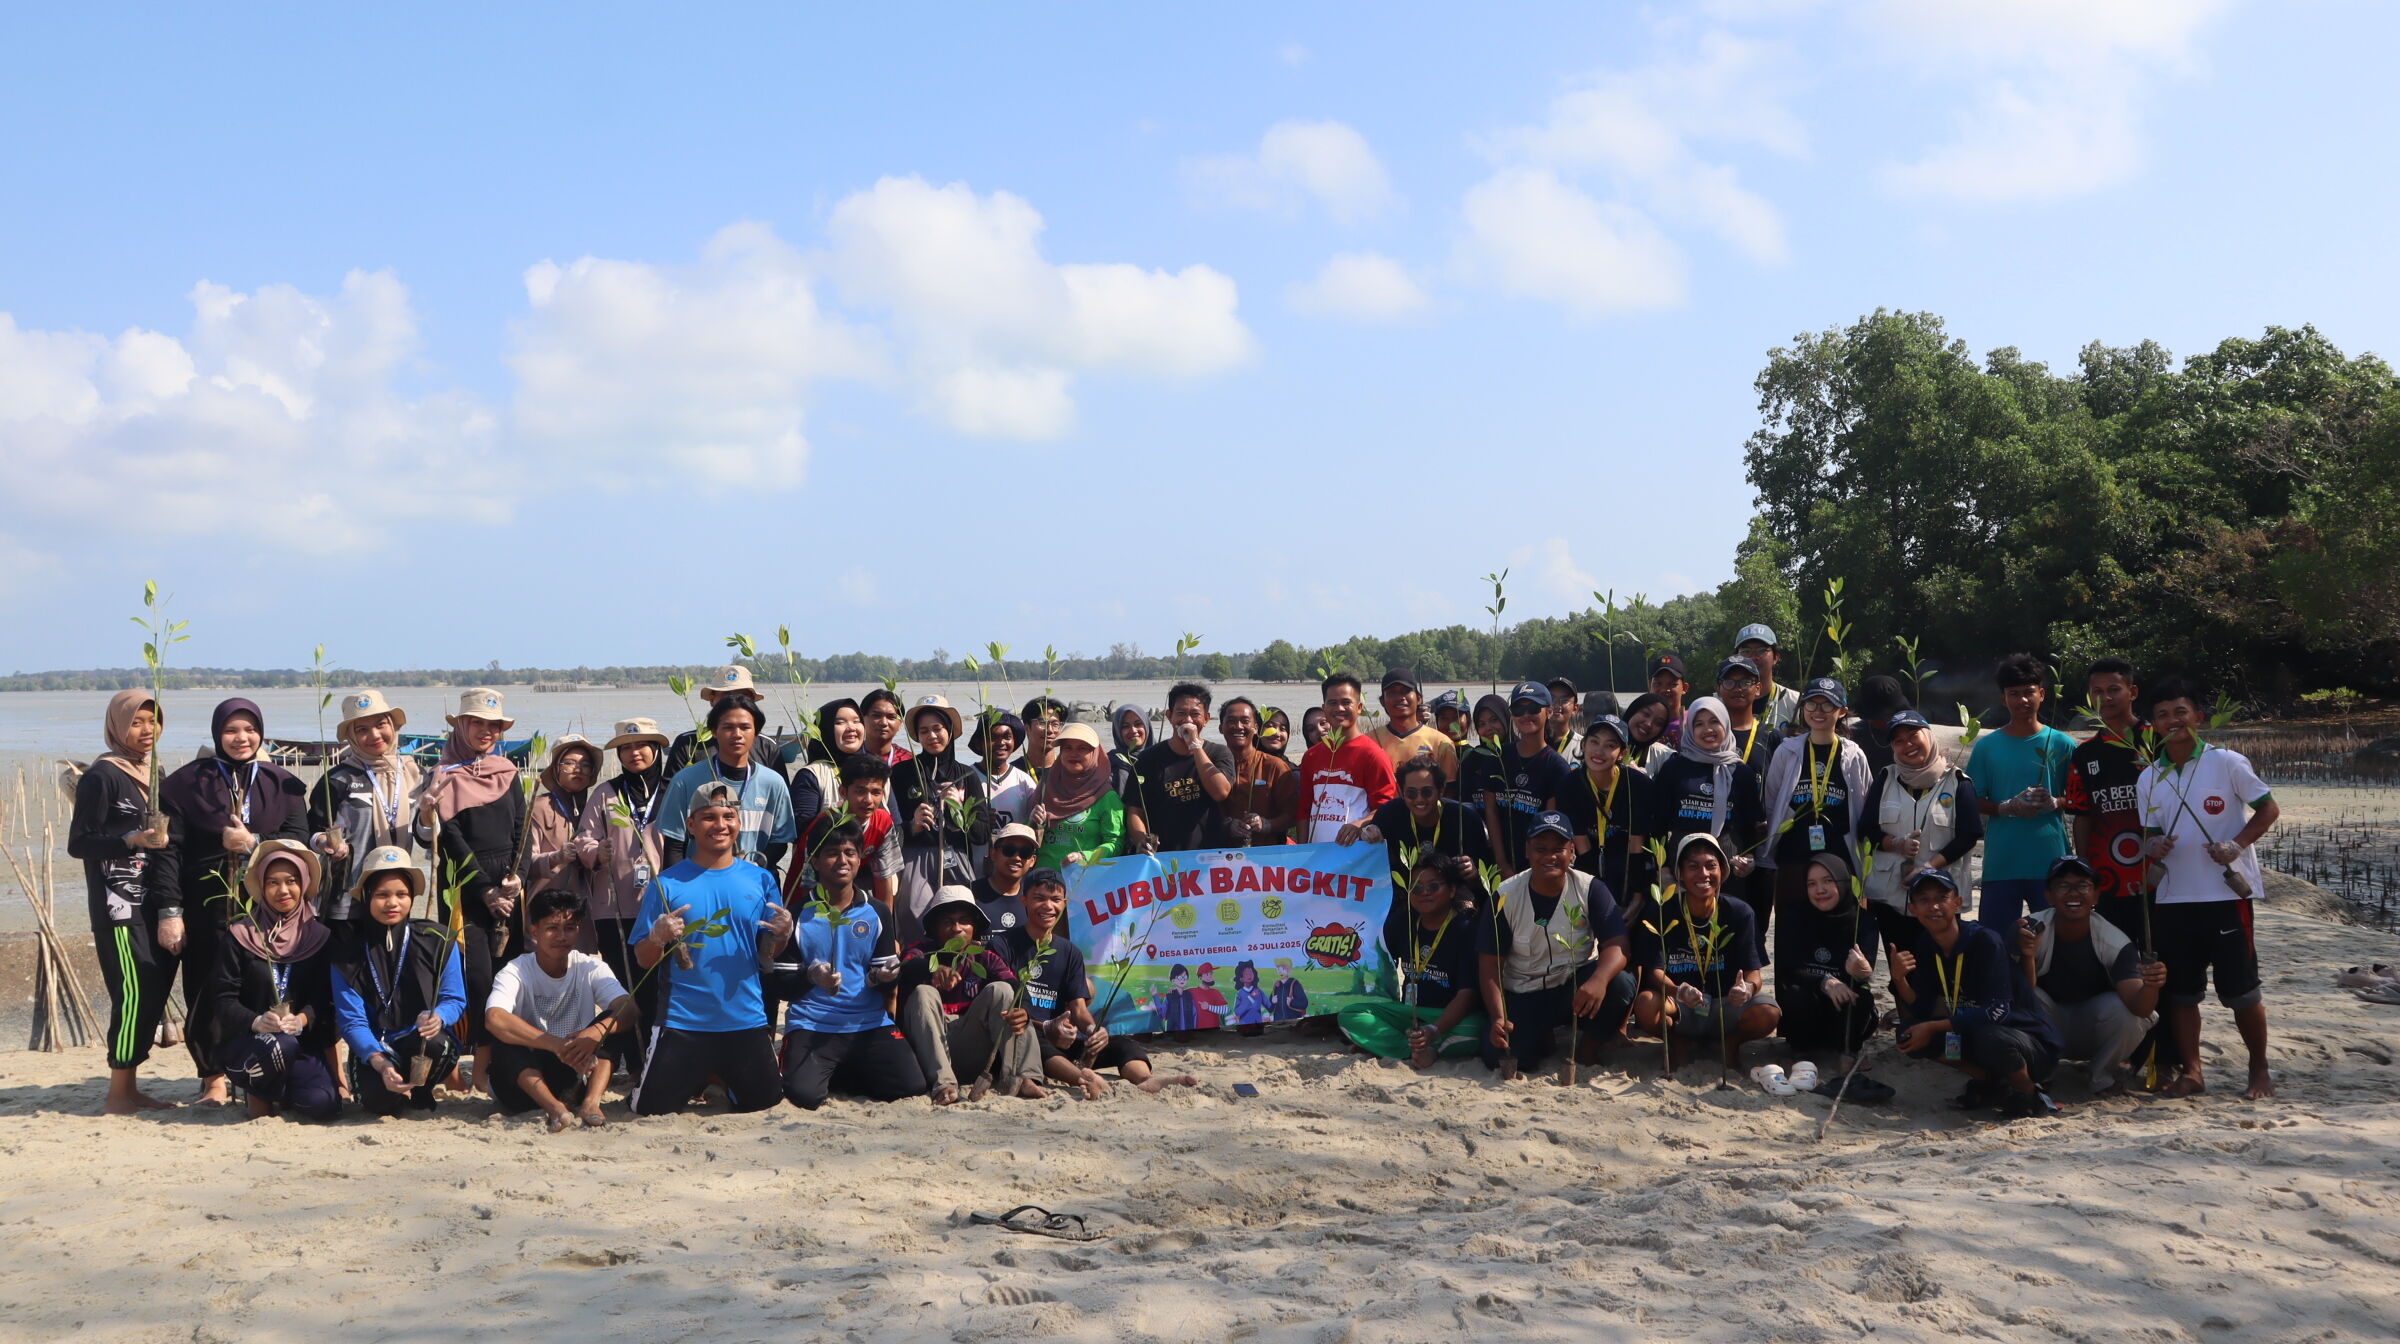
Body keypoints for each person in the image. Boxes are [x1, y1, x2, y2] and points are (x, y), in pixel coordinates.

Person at [148, 696, 310, 1106]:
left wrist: (254, 842)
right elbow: (168, 854)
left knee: (262, 983)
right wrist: (170, 912)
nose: (242, 737)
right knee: (206, 987)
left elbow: (301, 843)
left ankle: (260, 1071)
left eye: (250, 729)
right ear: (218, 734)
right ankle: (213, 1077)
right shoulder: (187, 784)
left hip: (268, 906)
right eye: (232, 730)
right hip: (207, 904)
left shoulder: (282, 783)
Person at [2136, 677, 2280, 1100]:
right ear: (2154, 726)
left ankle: (2258, 1069)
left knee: (2241, 991)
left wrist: (2237, 844)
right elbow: (2148, 834)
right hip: (2174, 897)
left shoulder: (2227, 762)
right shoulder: (2150, 776)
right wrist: (2154, 846)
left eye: (2181, 712)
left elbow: (2268, 808)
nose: (2172, 721)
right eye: (2162, 715)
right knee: (2181, 992)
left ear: (2198, 717)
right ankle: (2193, 1071)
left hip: (2225, 896)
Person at [629, 781, 793, 1115]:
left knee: (765, 1103)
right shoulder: (667, 883)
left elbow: (769, 952)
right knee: (650, 1109)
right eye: (708, 817)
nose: (719, 825)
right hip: (683, 1022)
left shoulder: (761, 879)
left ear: (739, 823)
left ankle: (719, 1079)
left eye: (728, 816)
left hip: (745, 1018)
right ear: (690, 825)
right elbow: (643, 960)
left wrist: (784, 933)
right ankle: (706, 1075)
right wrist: (658, 937)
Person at [68, 690, 177, 1113]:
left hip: (153, 901)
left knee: (151, 987)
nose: (146, 730)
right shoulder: (103, 775)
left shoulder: (154, 772)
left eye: (153, 721)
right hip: (118, 906)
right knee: (133, 992)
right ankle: (118, 1093)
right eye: (136, 722)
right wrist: (129, 840)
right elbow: (79, 843)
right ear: (117, 725)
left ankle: (130, 1087)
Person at [993, 868, 1193, 1096]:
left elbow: (1078, 1009)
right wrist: (1047, 1027)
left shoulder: (1070, 952)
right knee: (1035, 1040)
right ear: (1024, 901)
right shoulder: (1003, 945)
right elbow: (1004, 1003)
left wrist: (1092, 1030)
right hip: (1024, 1036)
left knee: (1121, 1044)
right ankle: (1083, 1079)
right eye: (1039, 898)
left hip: (1064, 1039)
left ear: (1064, 903)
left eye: (1056, 899)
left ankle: (1146, 1079)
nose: (1048, 906)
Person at [416, 688, 528, 1092]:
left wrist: (519, 876)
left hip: (509, 887)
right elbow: (452, 840)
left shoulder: (509, 771)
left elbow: (523, 829)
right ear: (461, 725)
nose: (486, 731)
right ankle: (477, 1064)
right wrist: (484, 891)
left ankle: (510, 1059)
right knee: (476, 977)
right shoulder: (443, 776)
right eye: (477, 723)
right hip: (464, 888)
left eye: (493, 725)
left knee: (512, 974)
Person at [775, 821, 926, 1109]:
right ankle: (828, 1069)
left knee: (911, 1086)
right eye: (832, 853)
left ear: (860, 859)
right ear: (815, 861)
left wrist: (884, 977)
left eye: (850, 852)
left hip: (867, 1022)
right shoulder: (797, 914)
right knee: (803, 1095)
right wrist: (811, 977)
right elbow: (781, 986)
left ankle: (840, 1070)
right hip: (813, 1023)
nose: (842, 861)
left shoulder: (877, 911)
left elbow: (882, 980)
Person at [1890, 868, 2063, 1119]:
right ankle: (1989, 1081)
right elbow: (1922, 1009)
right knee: (1907, 1034)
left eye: (1941, 898)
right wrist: (1899, 979)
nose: (1934, 906)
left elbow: (1999, 1011)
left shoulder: (1985, 941)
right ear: (1913, 909)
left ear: (1958, 903)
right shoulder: (1927, 944)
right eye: (1924, 900)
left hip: (2029, 1043)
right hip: (1978, 1032)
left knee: (1988, 1035)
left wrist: (1934, 1027)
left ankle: (2028, 1091)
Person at [1477, 814, 1634, 1079]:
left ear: (1571, 851)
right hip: (1524, 991)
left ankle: (1587, 1048)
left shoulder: (1590, 888)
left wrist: (1598, 979)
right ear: (1527, 850)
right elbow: (1489, 964)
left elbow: (1618, 945)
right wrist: (1498, 1017)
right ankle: (1541, 1036)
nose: (1549, 857)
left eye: (1558, 849)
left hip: (1573, 987)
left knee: (1620, 983)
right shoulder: (1505, 895)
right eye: (1541, 849)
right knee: (1501, 1057)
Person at [330, 846, 466, 1115]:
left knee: (437, 1041)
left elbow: (454, 998)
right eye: (382, 895)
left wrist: (438, 1016)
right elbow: (351, 1020)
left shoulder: (437, 940)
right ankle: (393, 1091)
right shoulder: (347, 952)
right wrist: (379, 1062)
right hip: (374, 1049)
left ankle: (422, 1090)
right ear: (367, 897)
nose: (393, 903)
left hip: (420, 1042)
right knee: (378, 1103)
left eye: (401, 894)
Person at [486, 887, 637, 1130]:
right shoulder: (516, 970)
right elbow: (494, 1018)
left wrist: (595, 1032)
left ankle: (590, 1103)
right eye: (552, 928)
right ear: (534, 931)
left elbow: (628, 1009)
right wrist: (556, 1045)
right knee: (504, 1040)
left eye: (569, 928)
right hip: (524, 1084)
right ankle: (554, 1109)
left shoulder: (589, 967)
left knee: (615, 1023)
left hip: (576, 1075)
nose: (561, 936)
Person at [213, 840, 341, 1120]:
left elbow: (325, 999)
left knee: (324, 1105)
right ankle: (258, 1094)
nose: (283, 890)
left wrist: (302, 1020)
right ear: (261, 886)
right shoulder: (240, 934)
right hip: (248, 1045)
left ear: (304, 883)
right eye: (273, 882)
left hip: (299, 1044)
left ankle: (281, 1090)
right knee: (280, 1044)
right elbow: (222, 999)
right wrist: (256, 1021)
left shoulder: (319, 936)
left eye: (291, 881)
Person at [2019, 856, 2164, 1096]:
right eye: (2064, 885)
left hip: (2093, 1030)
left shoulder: (2115, 941)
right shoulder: (2029, 929)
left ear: (2096, 896)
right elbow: (2018, 997)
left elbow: (2140, 1009)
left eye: (2083, 886)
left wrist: (2152, 985)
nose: (2073, 893)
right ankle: (2041, 1071)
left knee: (2126, 1014)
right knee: (2027, 996)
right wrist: (2026, 956)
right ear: (2049, 896)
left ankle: (2102, 1074)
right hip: (2046, 1025)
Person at [1632, 833, 1778, 1070]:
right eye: (1693, 867)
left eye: (1711, 866)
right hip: (1681, 1004)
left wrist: (1747, 989)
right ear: (1679, 873)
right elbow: (1653, 972)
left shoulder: (1740, 912)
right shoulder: (1661, 911)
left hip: (1726, 1004)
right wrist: (1678, 990)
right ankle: (1678, 1040)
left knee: (1768, 1012)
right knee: (1646, 1004)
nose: (1703, 874)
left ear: (1722, 870)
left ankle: (1730, 1043)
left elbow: (1755, 974)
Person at [1758, 678, 1872, 959]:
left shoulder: (1853, 754)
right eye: (1811, 703)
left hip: (1838, 860)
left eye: (1827, 704)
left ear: (1842, 711)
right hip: (1794, 857)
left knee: (1838, 934)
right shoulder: (1787, 750)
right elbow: (1771, 802)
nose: (1818, 710)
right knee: (1791, 934)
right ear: (1802, 707)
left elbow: (1864, 805)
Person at [1337, 855, 1487, 1066]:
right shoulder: (1402, 922)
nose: (1424, 892)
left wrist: (1434, 1030)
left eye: (1433, 886)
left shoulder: (1466, 928)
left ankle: (1400, 1046)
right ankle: (1417, 1050)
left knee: (1478, 1028)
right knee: (1350, 1015)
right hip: (1410, 1015)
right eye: (1416, 887)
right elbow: (1376, 966)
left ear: (1452, 890)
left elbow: (1468, 995)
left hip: (1452, 1017)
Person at [581, 717, 668, 1074]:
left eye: (642, 745)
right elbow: (583, 837)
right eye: (627, 748)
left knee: (660, 985)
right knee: (624, 984)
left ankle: (657, 1056)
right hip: (613, 907)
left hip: (661, 905)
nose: (635, 753)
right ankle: (632, 1059)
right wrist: (594, 851)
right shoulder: (606, 793)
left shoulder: (672, 789)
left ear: (656, 749)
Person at [897, 887, 1042, 1103]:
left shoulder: (985, 958)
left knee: (1003, 990)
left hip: (972, 1044)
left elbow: (1017, 987)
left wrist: (1025, 1012)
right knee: (923, 992)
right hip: (930, 1049)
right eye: (947, 922)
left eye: (964, 921)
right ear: (935, 928)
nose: (956, 928)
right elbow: (905, 968)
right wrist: (932, 968)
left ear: (974, 927)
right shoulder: (921, 952)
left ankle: (1024, 1077)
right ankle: (944, 1085)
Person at [1856, 710, 1984, 953]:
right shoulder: (1885, 779)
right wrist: (1896, 843)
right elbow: (1866, 829)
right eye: (1899, 741)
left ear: (1929, 735)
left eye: (1914, 736)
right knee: (1901, 971)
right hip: (1891, 899)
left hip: (1940, 901)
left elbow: (1969, 835)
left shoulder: (1958, 782)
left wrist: (1927, 869)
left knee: (1939, 969)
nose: (1908, 745)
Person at [1967, 653, 2076, 931]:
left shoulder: (2062, 744)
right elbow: (1972, 800)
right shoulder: (1986, 747)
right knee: (1997, 944)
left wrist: (2055, 802)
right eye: (2014, 694)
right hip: (2002, 863)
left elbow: (2081, 798)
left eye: (2029, 692)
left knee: (2055, 942)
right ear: (2003, 698)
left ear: (2042, 694)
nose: (2022, 700)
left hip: (2050, 862)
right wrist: (2006, 807)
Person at [1773, 851, 1889, 1101]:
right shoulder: (1793, 916)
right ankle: (1799, 1050)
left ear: (1843, 882)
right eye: (1811, 884)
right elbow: (1788, 966)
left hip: (1843, 1011)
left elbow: (1865, 974)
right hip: (1808, 1005)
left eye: (1828, 881)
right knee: (1793, 993)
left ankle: (1849, 1050)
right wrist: (1825, 982)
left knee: (1862, 997)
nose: (1820, 890)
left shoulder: (1863, 920)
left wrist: (1861, 971)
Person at [656, 691, 808, 875]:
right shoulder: (685, 781)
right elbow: (674, 844)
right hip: (698, 881)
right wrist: (678, 888)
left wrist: (754, 868)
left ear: (756, 732)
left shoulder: (773, 783)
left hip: (754, 882)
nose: (737, 734)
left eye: (745, 727)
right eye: (728, 727)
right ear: (714, 731)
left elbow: (780, 841)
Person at [307, 689, 426, 919]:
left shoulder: (415, 775)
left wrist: (429, 814)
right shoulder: (338, 779)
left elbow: (426, 838)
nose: (374, 735)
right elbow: (310, 832)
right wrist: (324, 842)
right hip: (345, 901)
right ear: (351, 736)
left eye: (381, 724)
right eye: (362, 729)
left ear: (393, 726)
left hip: (395, 899)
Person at [888, 695, 992, 942]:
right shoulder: (902, 773)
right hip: (916, 858)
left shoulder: (967, 776)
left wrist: (958, 809)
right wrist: (911, 826)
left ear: (950, 731)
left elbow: (981, 834)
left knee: (962, 922)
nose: (932, 736)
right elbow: (890, 831)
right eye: (924, 731)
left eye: (938, 729)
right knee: (913, 917)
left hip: (957, 857)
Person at [1355, 756, 1492, 943]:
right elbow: (1372, 866)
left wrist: (1474, 875)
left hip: (1453, 895)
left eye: (1427, 792)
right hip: (1407, 894)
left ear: (1441, 790)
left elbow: (1488, 883)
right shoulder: (1389, 814)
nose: (1419, 799)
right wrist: (1367, 836)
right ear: (1401, 792)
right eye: (1411, 793)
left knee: (1467, 923)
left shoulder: (1465, 819)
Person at [1642, 698, 1766, 902]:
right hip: (1682, 862)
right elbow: (1657, 824)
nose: (1707, 729)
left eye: (1714, 721)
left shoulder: (1742, 772)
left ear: (1725, 724)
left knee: (1726, 925)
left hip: (1728, 864)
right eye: (1699, 724)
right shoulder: (1674, 769)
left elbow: (1752, 824)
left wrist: (1750, 858)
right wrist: (1662, 868)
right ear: (1689, 729)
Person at [2064, 656, 2151, 938]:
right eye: (2097, 692)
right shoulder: (2085, 753)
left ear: (2132, 692)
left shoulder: (2157, 741)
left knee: (2162, 960)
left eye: (2114, 689)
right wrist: (2084, 870)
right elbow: (2082, 815)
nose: (2106, 698)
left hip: (2159, 875)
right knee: (2116, 961)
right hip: (2108, 878)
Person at [1556, 714, 1652, 907]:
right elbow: (1582, 847)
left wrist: (1636, 896)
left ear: (1622, 753)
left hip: (1626, 862)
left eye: (1610, 745)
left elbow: (1636, 845)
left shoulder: (1638, 785)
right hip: (1589, 860)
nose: (1599, 751)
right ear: (1583, 744)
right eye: (1594, 742)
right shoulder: (1570, 784)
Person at [1482, 681, 1574, 878]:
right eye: (1518, 709)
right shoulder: (1497, 757)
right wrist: (1503, 865)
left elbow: (1552, 825)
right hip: (1500, 862)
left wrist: (1533, 871)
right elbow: (1491, 811)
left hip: (1539, 866)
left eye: (1533, 708)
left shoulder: (1556, 767)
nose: (1525, 715)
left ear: (1548, 712)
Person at [1129, 682, 1236, 852]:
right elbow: (1134, 810)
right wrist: (1141, 840)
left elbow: (1220, 792)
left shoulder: (1219, 754)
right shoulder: (1148, 759)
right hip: (1164, 858)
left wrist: (1194, 745)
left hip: (1209, 855)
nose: (1187, 721)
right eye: (1181, 713)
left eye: (1195, 714)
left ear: (1207, 719)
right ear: (1169, 715)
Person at [1301, 674, 1399, 845]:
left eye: (1346, 702)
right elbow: (1303, 810)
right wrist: (1301, 853)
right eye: (1333, 703)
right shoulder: (1311, 756)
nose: (1339, 708)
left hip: (1355, 858)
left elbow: (1386, 809)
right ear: (1324, 708)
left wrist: (1359, 825)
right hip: (1317, 861)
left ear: (1359, 707)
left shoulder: (1373, 755)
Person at [526, 735, 607, 929]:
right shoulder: (539, 807)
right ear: (556, 769)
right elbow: (525, 864)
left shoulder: (595, 809)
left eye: (585, 764)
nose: (577, 769)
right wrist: (556, 857)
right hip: (546, 904)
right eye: (569, 763)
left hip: (585, 909)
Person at [1030, 722, 1125, 871]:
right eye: (1068, 748)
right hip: (1041, 881)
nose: (1074, 753)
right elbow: (1026, 839)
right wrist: (1033, 822)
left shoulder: (1106, 797)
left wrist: (1085, 856)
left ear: (1094, 753)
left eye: (1082, 748)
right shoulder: (1046, 787)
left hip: (1083, 881)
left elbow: (1116, 843)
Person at [664, 664, 785, 778]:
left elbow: (782, 793)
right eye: (726, 695)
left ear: (752, 701)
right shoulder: (688, 743)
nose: (734, 701)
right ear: (712, 699)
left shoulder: (768, 747)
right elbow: (669, 791)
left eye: (742, 696)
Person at [1218, 697, 1299, 845]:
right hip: (1219, 856)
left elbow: (1293, 814)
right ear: (1220, 728)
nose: (1238, 726)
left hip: (1267, 857)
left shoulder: (1275, 766)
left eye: (1245, 721)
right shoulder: (1210, 765)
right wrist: (1226, 825)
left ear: (1256, 727)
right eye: (1231, 721)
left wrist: (1267, 824)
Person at [1367, 668, 1459, 782]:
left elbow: (1448, 791)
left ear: (1419, 698)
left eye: (1405, 691)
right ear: (1382, 701)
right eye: (1392, 693)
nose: (1400, 698)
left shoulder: (1441, 743)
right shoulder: (1369, 741)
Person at [970, 711, 1039, 858]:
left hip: (1013, 867)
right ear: (979, 742)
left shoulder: (1024, 782)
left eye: (1007, 737)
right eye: (993, 737)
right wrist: (978, 822)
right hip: (972, 868)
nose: (1001, 743)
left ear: (1014, 742)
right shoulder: (967, 777)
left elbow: (1033, 828)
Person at [1733, 624, 1801, 735]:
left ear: (1776, 657)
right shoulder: (1721, 703)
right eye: (1746, 651)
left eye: (1761, 650)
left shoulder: (1796, 702)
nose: (1753, 657)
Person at [972, 822, 1039, 934]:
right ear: (993, 853)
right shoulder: (970, 894)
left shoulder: (1035, 899)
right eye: (1009, 850)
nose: (1016, 857)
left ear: (1032, 861)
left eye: (1025, 852)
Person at [1712, 656, 1775, 770]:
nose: (1737, 689)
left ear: (1757, 688)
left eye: (1745, 682)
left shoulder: (1772, 737)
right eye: (1729, 682)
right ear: (1718, 689)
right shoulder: (1708, 735)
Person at [800, 698, 868, 805]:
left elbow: (894, 819)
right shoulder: (812, 775)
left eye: (857, 721)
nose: (851, 727)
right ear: (824, 729)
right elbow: (803, 821)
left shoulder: (876, 769)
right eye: (840, 722)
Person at [1457, 694, 1513, 814]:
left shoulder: (1521, 753)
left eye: (1494, 720)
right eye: (1482, 724)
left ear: (1505, 718)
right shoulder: (1471, 760)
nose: (1488, 728)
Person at [1850, 676, 1910, 777]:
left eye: (1889, 716)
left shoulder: (1911, 732)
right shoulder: (1855, 735)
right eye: (1877, 717)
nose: (1884, 721)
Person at [1620, 692, 1676, 772]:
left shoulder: (1666, 758)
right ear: (1632, 711)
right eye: (1646, 714)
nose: (1648, 724)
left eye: (1658, 723)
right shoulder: (1605, 746)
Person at [1644, 654, 1689, 750]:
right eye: (1658, 683)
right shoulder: (1643, 725)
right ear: (1649, 686)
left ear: (1684, 688)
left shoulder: (1694, 722)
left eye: (1672, 684)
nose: (1664, 689)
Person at [860, 688, 912, 767]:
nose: (883, 723)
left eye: (891, 717)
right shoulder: (848, 758)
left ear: (900, 724)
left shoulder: (909, 760)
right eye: (876, 715)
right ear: (862, 719)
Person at [1020, 696, 1071, 777]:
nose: (1050, 730)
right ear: (1027, 728)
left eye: (1055, 724)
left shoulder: (1068, 770)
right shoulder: (1014, 772)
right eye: (1043, 723)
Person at [1544, 677, 1582, 760]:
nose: (1557, 704)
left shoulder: (1583, 746)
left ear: (1575, 708)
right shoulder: (1532, 744)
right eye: (1552, 698)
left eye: (1564, 700)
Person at [1109, 704, 1149, 781]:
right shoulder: (1110, 764)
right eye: (1125, 726)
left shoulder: (1161, 758)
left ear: (1146, 726)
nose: (1133, 730)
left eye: (1138, 724)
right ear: (1117, 731)